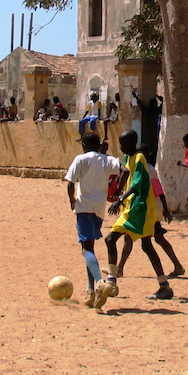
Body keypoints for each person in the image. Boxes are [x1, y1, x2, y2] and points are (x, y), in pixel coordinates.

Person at [94, 129, 173, 309]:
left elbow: (137, 184)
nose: (121, 147)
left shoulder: (139, 158)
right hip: (130, 209)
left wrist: (120, 198)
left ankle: (164, 286)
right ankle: (112, 282)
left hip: (142, 210)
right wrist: (118, 192)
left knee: (147, 246)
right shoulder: (128, 158)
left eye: (123, 144)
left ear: (132, 143)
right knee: (110, 239)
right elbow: (126, 174)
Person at [64, 132, 122, 308]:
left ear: (83, 145)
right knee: (90, 248)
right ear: (99, 146)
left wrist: (72, 201)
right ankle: (90, 292)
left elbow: (70, 183)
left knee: (86, 249)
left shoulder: (80, 159)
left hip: (84, 207)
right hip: (99, 209)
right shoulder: (107, 160)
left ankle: (99, 282)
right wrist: (118, 191)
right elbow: (123, 169)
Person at [119, 144, 185, 280]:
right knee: (155, 237)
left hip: (150, 208)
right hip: (147, 208)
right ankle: (177, 265)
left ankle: (119, 269)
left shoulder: (149, 170)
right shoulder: (142, 168)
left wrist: (165, 210)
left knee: (134, 237)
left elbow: (159, 191)